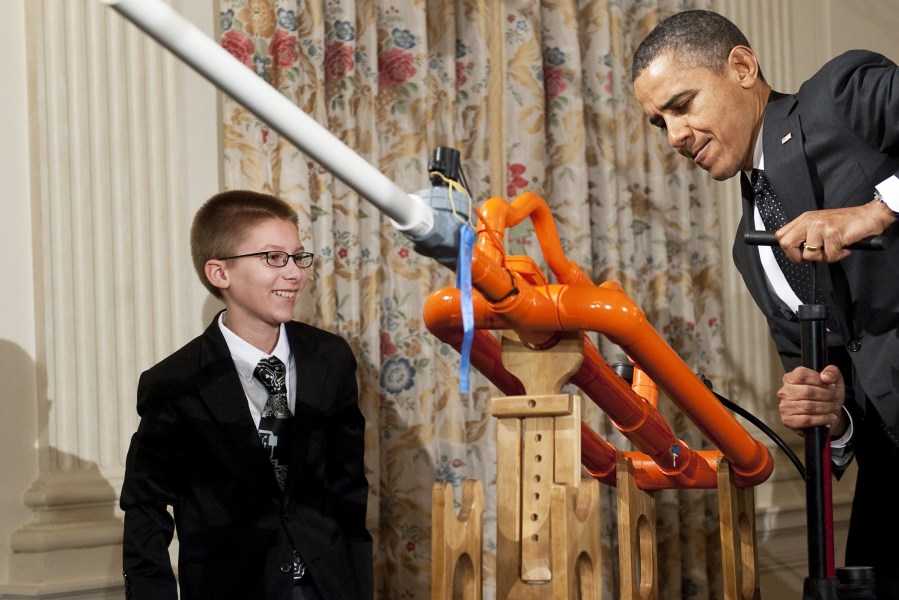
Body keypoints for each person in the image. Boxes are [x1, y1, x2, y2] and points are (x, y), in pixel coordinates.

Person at [631, 9, 899, 597]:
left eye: (682, 105)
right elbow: (840, 384)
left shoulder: (840, 93)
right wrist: (832, 412)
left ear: (743, 66)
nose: (674, 137)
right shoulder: (750, 247)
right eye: (659, 123)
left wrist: (876, 211)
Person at [120, 190, 372, 600]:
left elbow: (348, 489)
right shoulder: (175, 382)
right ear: (220, 273)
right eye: (273, 258)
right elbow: (145, 508)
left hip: (327, 587)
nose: (294, 274)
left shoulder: (330, 359)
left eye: (298, 257)